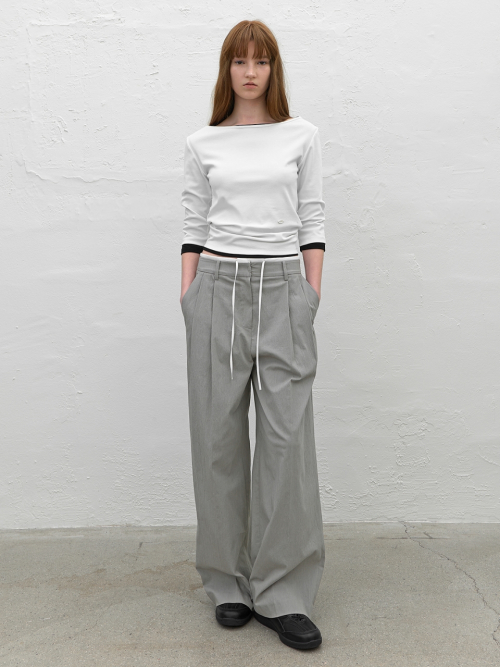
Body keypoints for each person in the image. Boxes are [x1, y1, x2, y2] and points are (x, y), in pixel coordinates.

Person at [179, 20, 326, 651]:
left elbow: (312, 217)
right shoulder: (203, 141)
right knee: (217, 439)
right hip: (217, 285)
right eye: (239, 61)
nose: (250, 72)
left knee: (285, 442)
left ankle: (283, 592)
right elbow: (193, 221)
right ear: (227, 69)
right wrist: (189, 295)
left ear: (273, 69)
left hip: (283, 287)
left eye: (260, 61)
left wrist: (309, 294)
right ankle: (228, 584)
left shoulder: (301, 136)